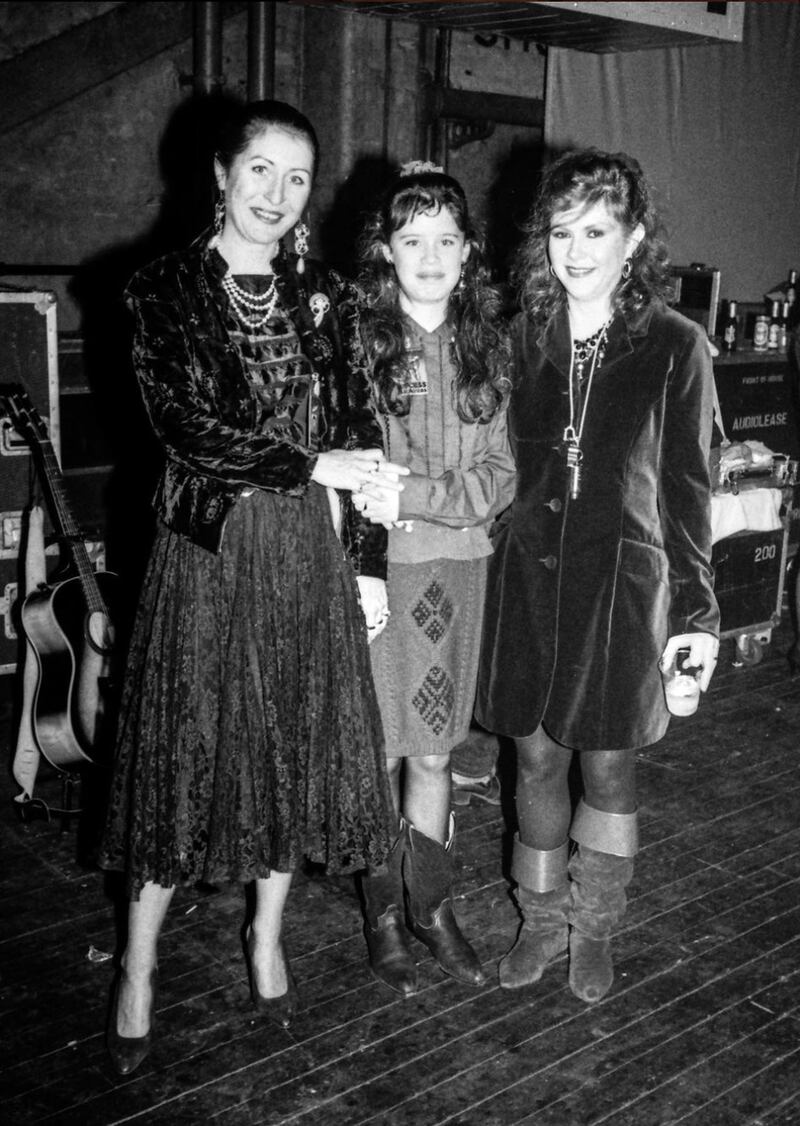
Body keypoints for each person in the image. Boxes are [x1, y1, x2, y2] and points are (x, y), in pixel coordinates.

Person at [98, 99, 408, 1075]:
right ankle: (138, 966)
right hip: (213, 555)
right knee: (184, 759)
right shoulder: (164, 291)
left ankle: (265, 939)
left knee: (285, 750)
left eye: (296, 177)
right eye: (260, 171)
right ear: (221, 174)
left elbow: (358, 434)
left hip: (308, 561)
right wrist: (317, 469)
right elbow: (186, 426)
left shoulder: (325, 297)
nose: (277, 194)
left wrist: (363, 557)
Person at [476, 148, 720, 1003]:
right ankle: (540, 922)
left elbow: (691, 489)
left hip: (622, 592)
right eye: (560, 231)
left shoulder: (676, 346)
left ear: (633, 239)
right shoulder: (515, 338)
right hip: (527, 587)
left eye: (595, 231)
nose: (574, 250)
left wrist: (697, 616)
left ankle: (596, 926)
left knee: (609, 771)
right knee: (534, 763)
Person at [353, 162, 516, 995]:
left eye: (445, 240)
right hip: (380, 578)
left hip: (460, 575)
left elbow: (500, 479)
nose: (429, 255)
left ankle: (433, 908)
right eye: (411, 239)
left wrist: (414, 493)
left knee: (436, 752)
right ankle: (383, 914)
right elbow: (350, 475)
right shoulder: (360, 346)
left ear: (466, 254)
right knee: (379, 752)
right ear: (388, 251)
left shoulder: (488, 348)